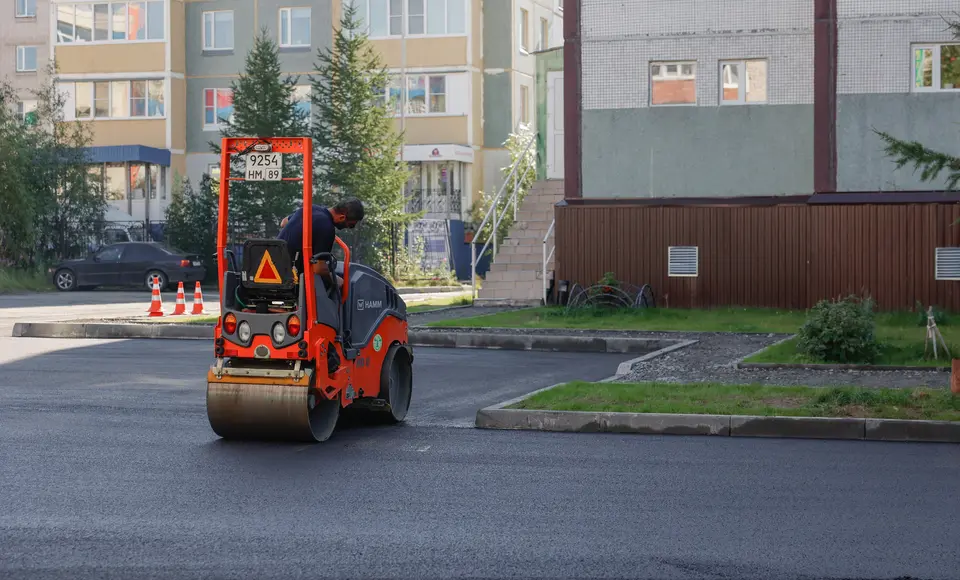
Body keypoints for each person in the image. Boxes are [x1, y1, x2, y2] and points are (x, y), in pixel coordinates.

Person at [276, 198, 364, 293]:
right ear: (342, 217)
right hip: (292, 278)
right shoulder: (327, 227)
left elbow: (283, 223)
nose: (349, 228)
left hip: (275, 264)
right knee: (334, 285)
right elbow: (318, 269)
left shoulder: (310, 209)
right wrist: (335, 280)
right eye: (351, 225)